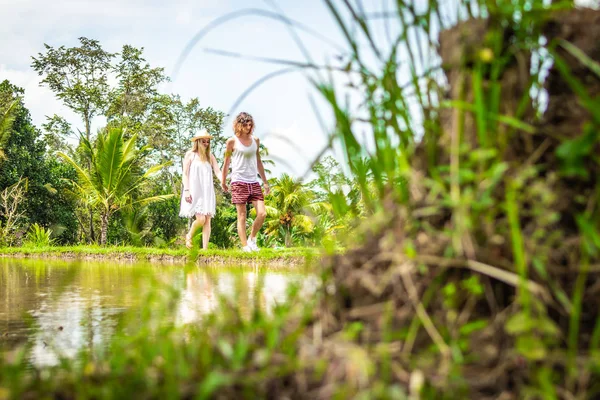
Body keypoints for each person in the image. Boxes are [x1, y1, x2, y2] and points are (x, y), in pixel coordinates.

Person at [221, 112, 270, 252]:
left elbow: (259, 161)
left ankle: (252, 239)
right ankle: (244, 246)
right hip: (238, 181)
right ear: (239, 125)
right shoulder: (231, 142)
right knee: (241, 215)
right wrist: (223, 181)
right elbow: (226, 163)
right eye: (245, 125)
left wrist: (265, 182)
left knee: (262, 213)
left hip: (254, 182)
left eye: (250, 124)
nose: (248, 127)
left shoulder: (256, 140)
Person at [179, 129, 222, 249]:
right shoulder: (190, 154)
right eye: (204, 141)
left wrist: (223, 181)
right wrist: (186, 190)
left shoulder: (210, 156)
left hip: (207, 191)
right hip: (194, 191)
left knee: (207, 220)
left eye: (208, 141)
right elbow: (185, 174)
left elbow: (217, 171)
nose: (206, 143)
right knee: (201, 219)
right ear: (197, 141)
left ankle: (205, 248)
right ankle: (189, 235)